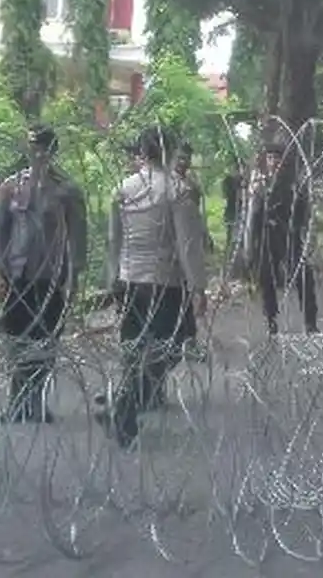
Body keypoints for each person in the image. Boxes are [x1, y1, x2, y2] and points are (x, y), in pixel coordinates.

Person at [99, 126, 208, 447]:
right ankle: (125, 408)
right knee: (174, 344)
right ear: (170, 150)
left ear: (142, 152)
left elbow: (112, 239)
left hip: (130, 279)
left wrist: (111, 280)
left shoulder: (123, 188)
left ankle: (126, 406)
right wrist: (199, 287)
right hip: (165, 281)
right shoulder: (177, 190)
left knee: (136, 348)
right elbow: (188, 245)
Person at [0, 125, 87, 424]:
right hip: (18, 276)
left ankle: (36, 401)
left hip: (50, 277)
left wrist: (74, 278)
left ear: (52, 151)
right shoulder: (10, 187)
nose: (38, 154)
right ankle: (18, 402)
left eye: (43, 148)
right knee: (17, 341)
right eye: (33, 148)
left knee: (46, 343)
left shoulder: (67, 190)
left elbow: (78, 238)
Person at [243, 137, 320, 335]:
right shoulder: (259, 184)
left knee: (304, 278)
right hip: (267, 239)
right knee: (267, 280)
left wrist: (308, 238)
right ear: (266, 161)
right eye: (270, 158)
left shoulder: (293, 184)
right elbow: (253, 218)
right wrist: (250, 247)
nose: (274, 161)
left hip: (290, 236)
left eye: (277, 158)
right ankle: (271, 321)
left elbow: (305, 214)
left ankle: (310, 322)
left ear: (283, 160)